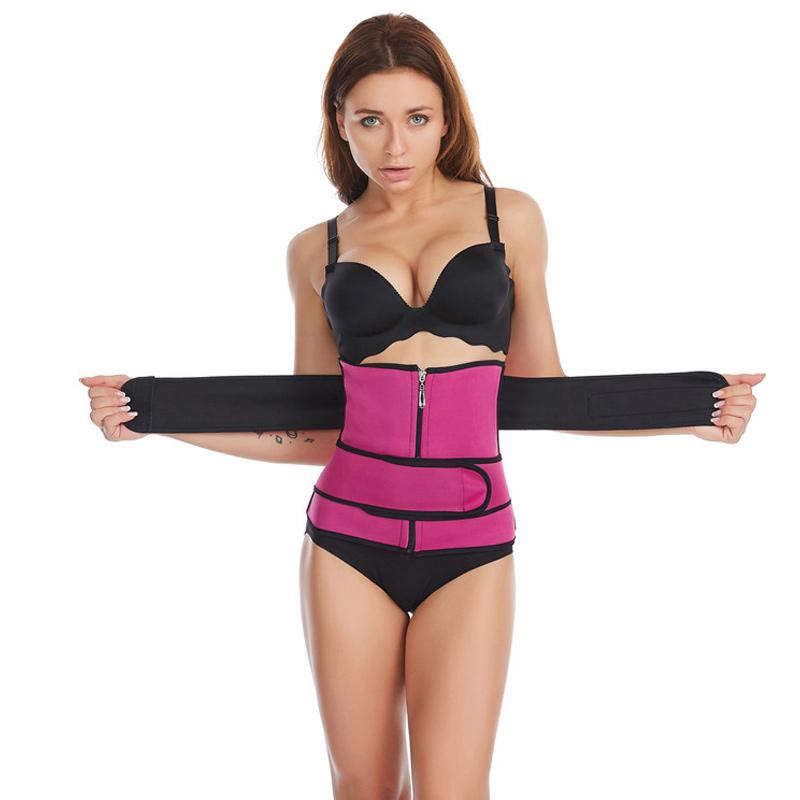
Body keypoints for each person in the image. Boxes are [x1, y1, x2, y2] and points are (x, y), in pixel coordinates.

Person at [80, 13, 763, 800]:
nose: (395, 146)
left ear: (447, 120)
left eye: (416, 118)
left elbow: (542, 393)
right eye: (371, 120)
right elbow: (313, 428)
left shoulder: (509, 217)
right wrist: (151, 417)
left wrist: (694, 411)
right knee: (364, 789)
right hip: (346, 543)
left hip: (471, 544)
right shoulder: (317, 249)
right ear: (340, 122)